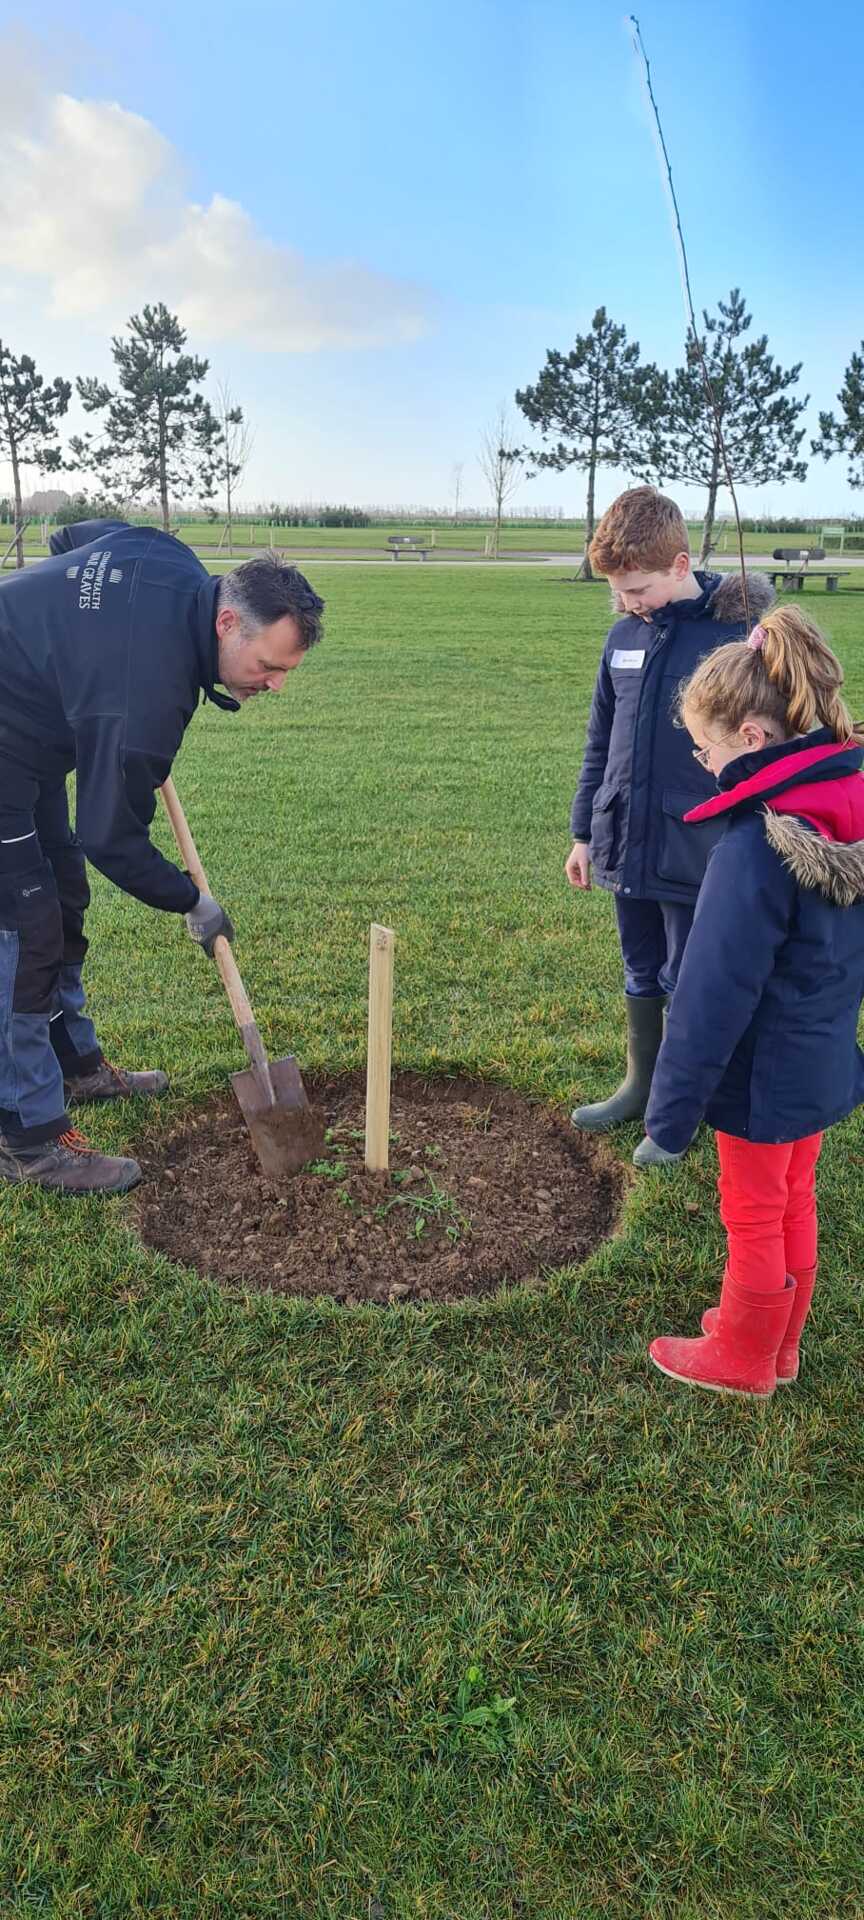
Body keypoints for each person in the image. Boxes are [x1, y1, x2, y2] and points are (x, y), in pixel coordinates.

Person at [0, 519, 324, 1195]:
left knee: (64, 896)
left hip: (28, 742)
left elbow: (71, 541)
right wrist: (191, 900)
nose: (274, 686)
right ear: (227, 621)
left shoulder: (168, 553)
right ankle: (29, 1137)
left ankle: (77, 1063)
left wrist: (77, 627)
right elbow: (109, 835)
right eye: (266, 667)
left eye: (284, 671)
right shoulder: (147, 692)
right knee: (26, 928)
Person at [643, 606, 864, 1396]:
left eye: (705, 746)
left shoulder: (755, 849)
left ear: (751, 738)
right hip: (823, 1062)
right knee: (791, 1195)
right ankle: (780, 1342)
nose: (703, 763)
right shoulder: (848, 807)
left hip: (764, 1074)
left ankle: (743, 1355)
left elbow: (708, 998)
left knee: (753, 1210)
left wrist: (667, 1121)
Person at [566, 487, 774, 1166]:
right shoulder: (622, 635)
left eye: (641, 588)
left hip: (699, 847)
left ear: (681, 565)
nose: (630, 601)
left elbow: (770, 739)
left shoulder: (733, 638)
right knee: (641, 969)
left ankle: (676, 1115)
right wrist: (583, 833)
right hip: (626, 840)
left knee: (690, 977)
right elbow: (601, 739)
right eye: (620, 591)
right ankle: (639, 1084)